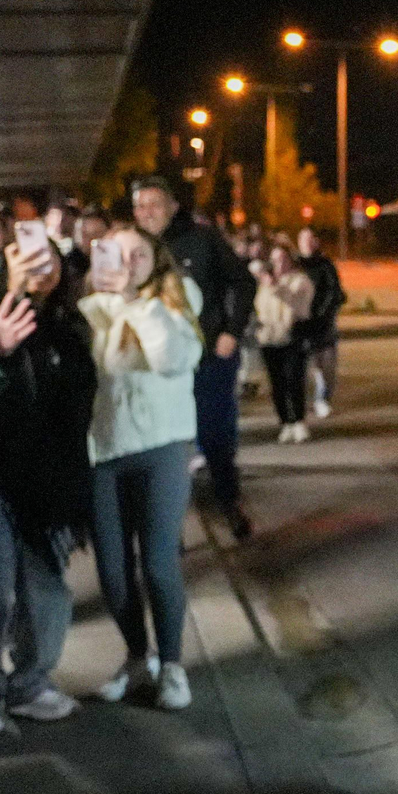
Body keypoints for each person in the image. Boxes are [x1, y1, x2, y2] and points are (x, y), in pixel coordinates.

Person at [83, 224, 203, 711]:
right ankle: (138, 657)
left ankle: (172, 666)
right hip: (106, 450)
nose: (128, 262)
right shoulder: (91, 307)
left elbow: (170, 358)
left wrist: (133, 300)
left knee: (157, 563)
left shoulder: (176, 298)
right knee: (112, 574)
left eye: (138, 253)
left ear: (156, 258)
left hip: (163, 443)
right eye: (117, 252)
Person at [0, 239, 94, 737]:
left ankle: (30, 683)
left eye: (47, 258)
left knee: (47, 588)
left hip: (47, 480)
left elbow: (77, 415)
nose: (37, 267)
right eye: (23, 256)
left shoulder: (71, 330)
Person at [130, 174, 254, 540]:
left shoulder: (203, 239)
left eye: (154, 204)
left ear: (172, 206)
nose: (146, 213)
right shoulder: (134, 247)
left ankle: (228, 502)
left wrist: (232, 331)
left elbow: (244, 283)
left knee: (215, 436)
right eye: (139, 206)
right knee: (166, 447)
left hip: (208, 359)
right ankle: (172, 528)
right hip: (157, 367)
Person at [254, 240, 314, 443]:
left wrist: (276, 287)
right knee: (277, 382)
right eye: (275, 260)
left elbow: (298, 304)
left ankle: (299, 420)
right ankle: (285, 421)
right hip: (269, 338)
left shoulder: (300, 281)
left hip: (292, 337)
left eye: (283, 260)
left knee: (294, 379)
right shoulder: (264, 283)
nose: (279, 265)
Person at [294, 226, 345, 419]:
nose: (307, 243)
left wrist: (322, 314)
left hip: (323, 324)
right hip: (301, 324)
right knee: (306, 365)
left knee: (326, 366)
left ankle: (322, 399)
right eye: (303, 239)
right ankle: (307, 401)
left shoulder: (325, 265)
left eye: (310, 238)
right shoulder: (296, 265)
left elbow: (334, 292)